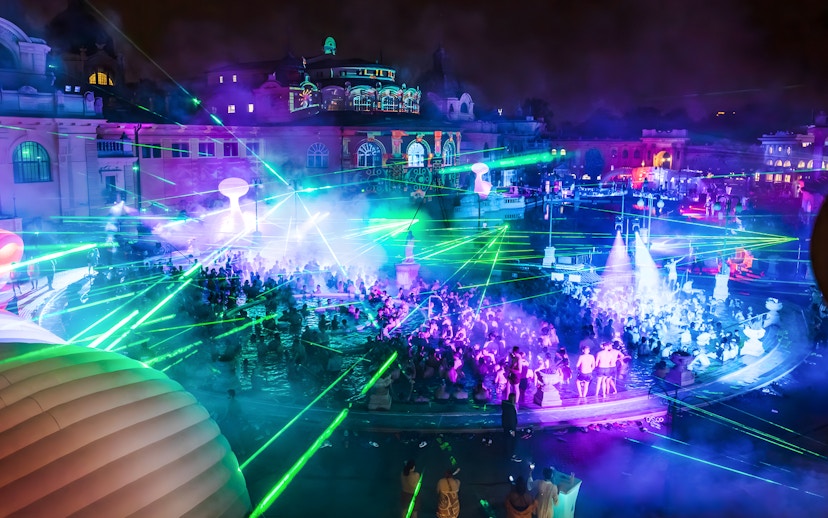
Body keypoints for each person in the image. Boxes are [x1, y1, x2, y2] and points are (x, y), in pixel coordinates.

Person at [501, 392, 520, 462]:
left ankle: (506, 453)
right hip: (510, 428)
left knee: (507, 440)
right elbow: (511, 420)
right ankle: (512, 455)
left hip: (505, 426)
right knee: (512, 441)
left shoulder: (506, 405)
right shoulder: (511, 408)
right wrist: (512, 430)